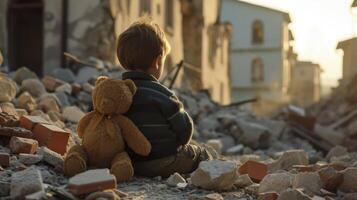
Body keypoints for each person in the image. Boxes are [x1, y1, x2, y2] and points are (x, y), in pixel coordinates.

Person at [117, 18, 214, 178]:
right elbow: (185, 133)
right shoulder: (163, 94)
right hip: (167, 162)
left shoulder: (117, 92)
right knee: (200, 152)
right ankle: (214, 174)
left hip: (131, 163)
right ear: (157, 62)